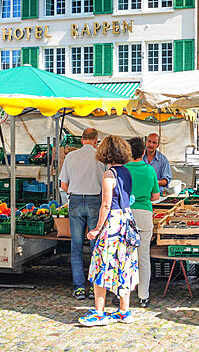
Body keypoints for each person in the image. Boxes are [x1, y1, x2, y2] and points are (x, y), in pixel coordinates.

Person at [79, 136, 140, 326]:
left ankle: (99, 312)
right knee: (125, 264)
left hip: (112, 224)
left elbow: (106, 205)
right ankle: (124, 311)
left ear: (105, 153)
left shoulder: (108, 175)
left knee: (101, 265)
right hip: (126, 221)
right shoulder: (127, 173)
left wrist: (96, 229)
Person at [59, 128, 107, 300]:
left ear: (82, 140)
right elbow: (106, 183)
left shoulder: (71, 157)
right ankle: (96, 287)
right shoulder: (101, 157)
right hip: (95, 201)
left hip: (76, 202)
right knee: (95, 247)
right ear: (96, 141)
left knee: (76, 247)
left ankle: (79, 288)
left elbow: (63, 185)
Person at [125, 136, 160, 307]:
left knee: (124, 256)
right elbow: (156, 196)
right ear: (143, 151)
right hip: (145, 215)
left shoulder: (122, 170)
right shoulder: (150, 170)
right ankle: (143, 296)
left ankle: (122, 293)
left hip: (126, 215)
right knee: (143, 257)